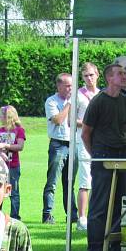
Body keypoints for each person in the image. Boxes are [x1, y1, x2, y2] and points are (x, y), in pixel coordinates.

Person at [82, 63, 126, 251]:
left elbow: (124, 127)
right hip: (103, 155)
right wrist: (96, 154)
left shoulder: (125, 101)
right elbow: (86, 133)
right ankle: (95, 248)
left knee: (121, 200)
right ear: (109, 78)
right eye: (120, 73)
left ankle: (116, 245)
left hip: (122, 152)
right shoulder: (98, 102)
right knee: (100, 202)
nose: (125, 76)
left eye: (125, 73)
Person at [43, 73, 78, 224]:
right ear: (59, 86)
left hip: (73, 144)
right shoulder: (51, 101)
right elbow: (57, 120)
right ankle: (47, 214)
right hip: (58, 144)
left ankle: (72, 215)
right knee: (52, 182)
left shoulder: (77, 100)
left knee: (70, 182)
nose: (71, 88)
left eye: (72, 85)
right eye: (68, 85)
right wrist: (69, 105)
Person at [75, 62, 100, 231]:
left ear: (97, 75)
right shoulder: (78, 95)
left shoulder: (102, 94)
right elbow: (71, 119)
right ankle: (82, 217)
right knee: (85, 178)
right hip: (83, 139)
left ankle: (95, 214)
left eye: (91, 75)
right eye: (86, 76)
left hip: (100, 140)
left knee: (99, 176)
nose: (89, 78)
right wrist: (87, 125)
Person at [0, 105, 26, 221]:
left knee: (14, 192)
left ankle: (15, 217)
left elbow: (20, 146)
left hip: (13, 166)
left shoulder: (19, 130)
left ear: (7, 116)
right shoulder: (0, 131)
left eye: (0, 115)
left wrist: (6, 146)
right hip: (0, 167)